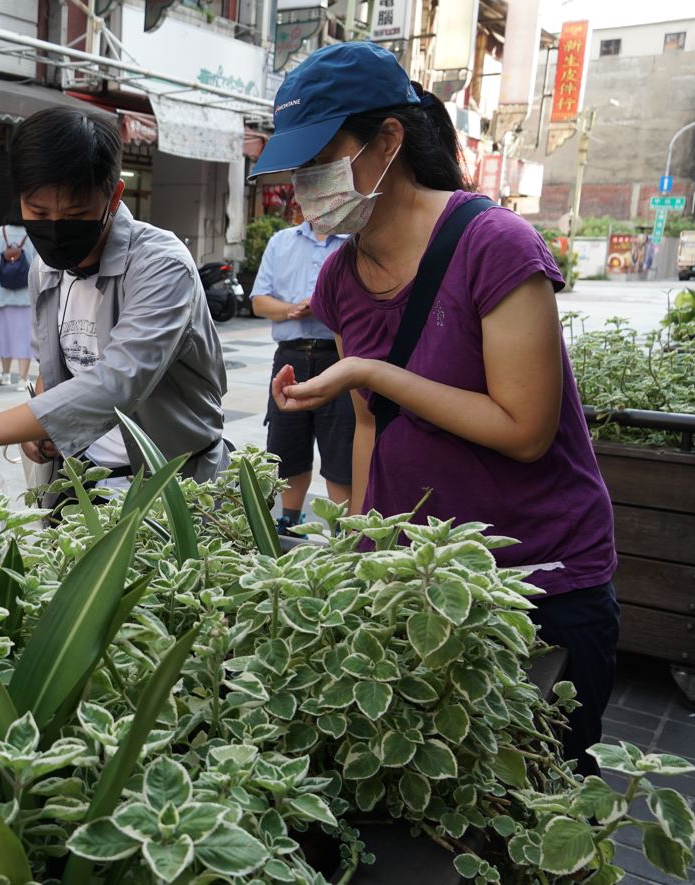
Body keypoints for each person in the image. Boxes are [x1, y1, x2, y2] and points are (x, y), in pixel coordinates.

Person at [254, 42, 618, 774]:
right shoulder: (341, 275)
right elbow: (366, 424)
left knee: (537, 796)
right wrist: (359, 556)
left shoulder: (496, 245)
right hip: (416, 586)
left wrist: (369, 371)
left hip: (537, 584)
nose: (305, 185)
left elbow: (523, 429)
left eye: (322, 156)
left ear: (390, 140)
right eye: (296, 168)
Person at [0, 108, 229, 483]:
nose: (55, 229)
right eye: (38, 211)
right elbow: (53, 370)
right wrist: (37, 431)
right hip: (82, 479)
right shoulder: (44, 270)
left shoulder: (161, 265)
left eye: (75, 213)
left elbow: (118, 382)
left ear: (114, 196)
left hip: (166, 481)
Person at [250, 219, 353, 532]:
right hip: (290, 356)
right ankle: (288, 523)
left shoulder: (354, 241)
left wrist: (322, 305)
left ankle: (343, 533)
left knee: (341, 453)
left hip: (339, 358)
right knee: (287, 448)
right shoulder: (281, 241)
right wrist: (292, 309)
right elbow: (259, 301)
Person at [0, 204, 38, 389]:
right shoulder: (32, 233)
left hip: (3, 295)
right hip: (26, 297)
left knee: (5, 335)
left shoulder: (0, 233)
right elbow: (38, 265)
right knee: (25, 337)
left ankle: (6, 375)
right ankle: (23, 379)